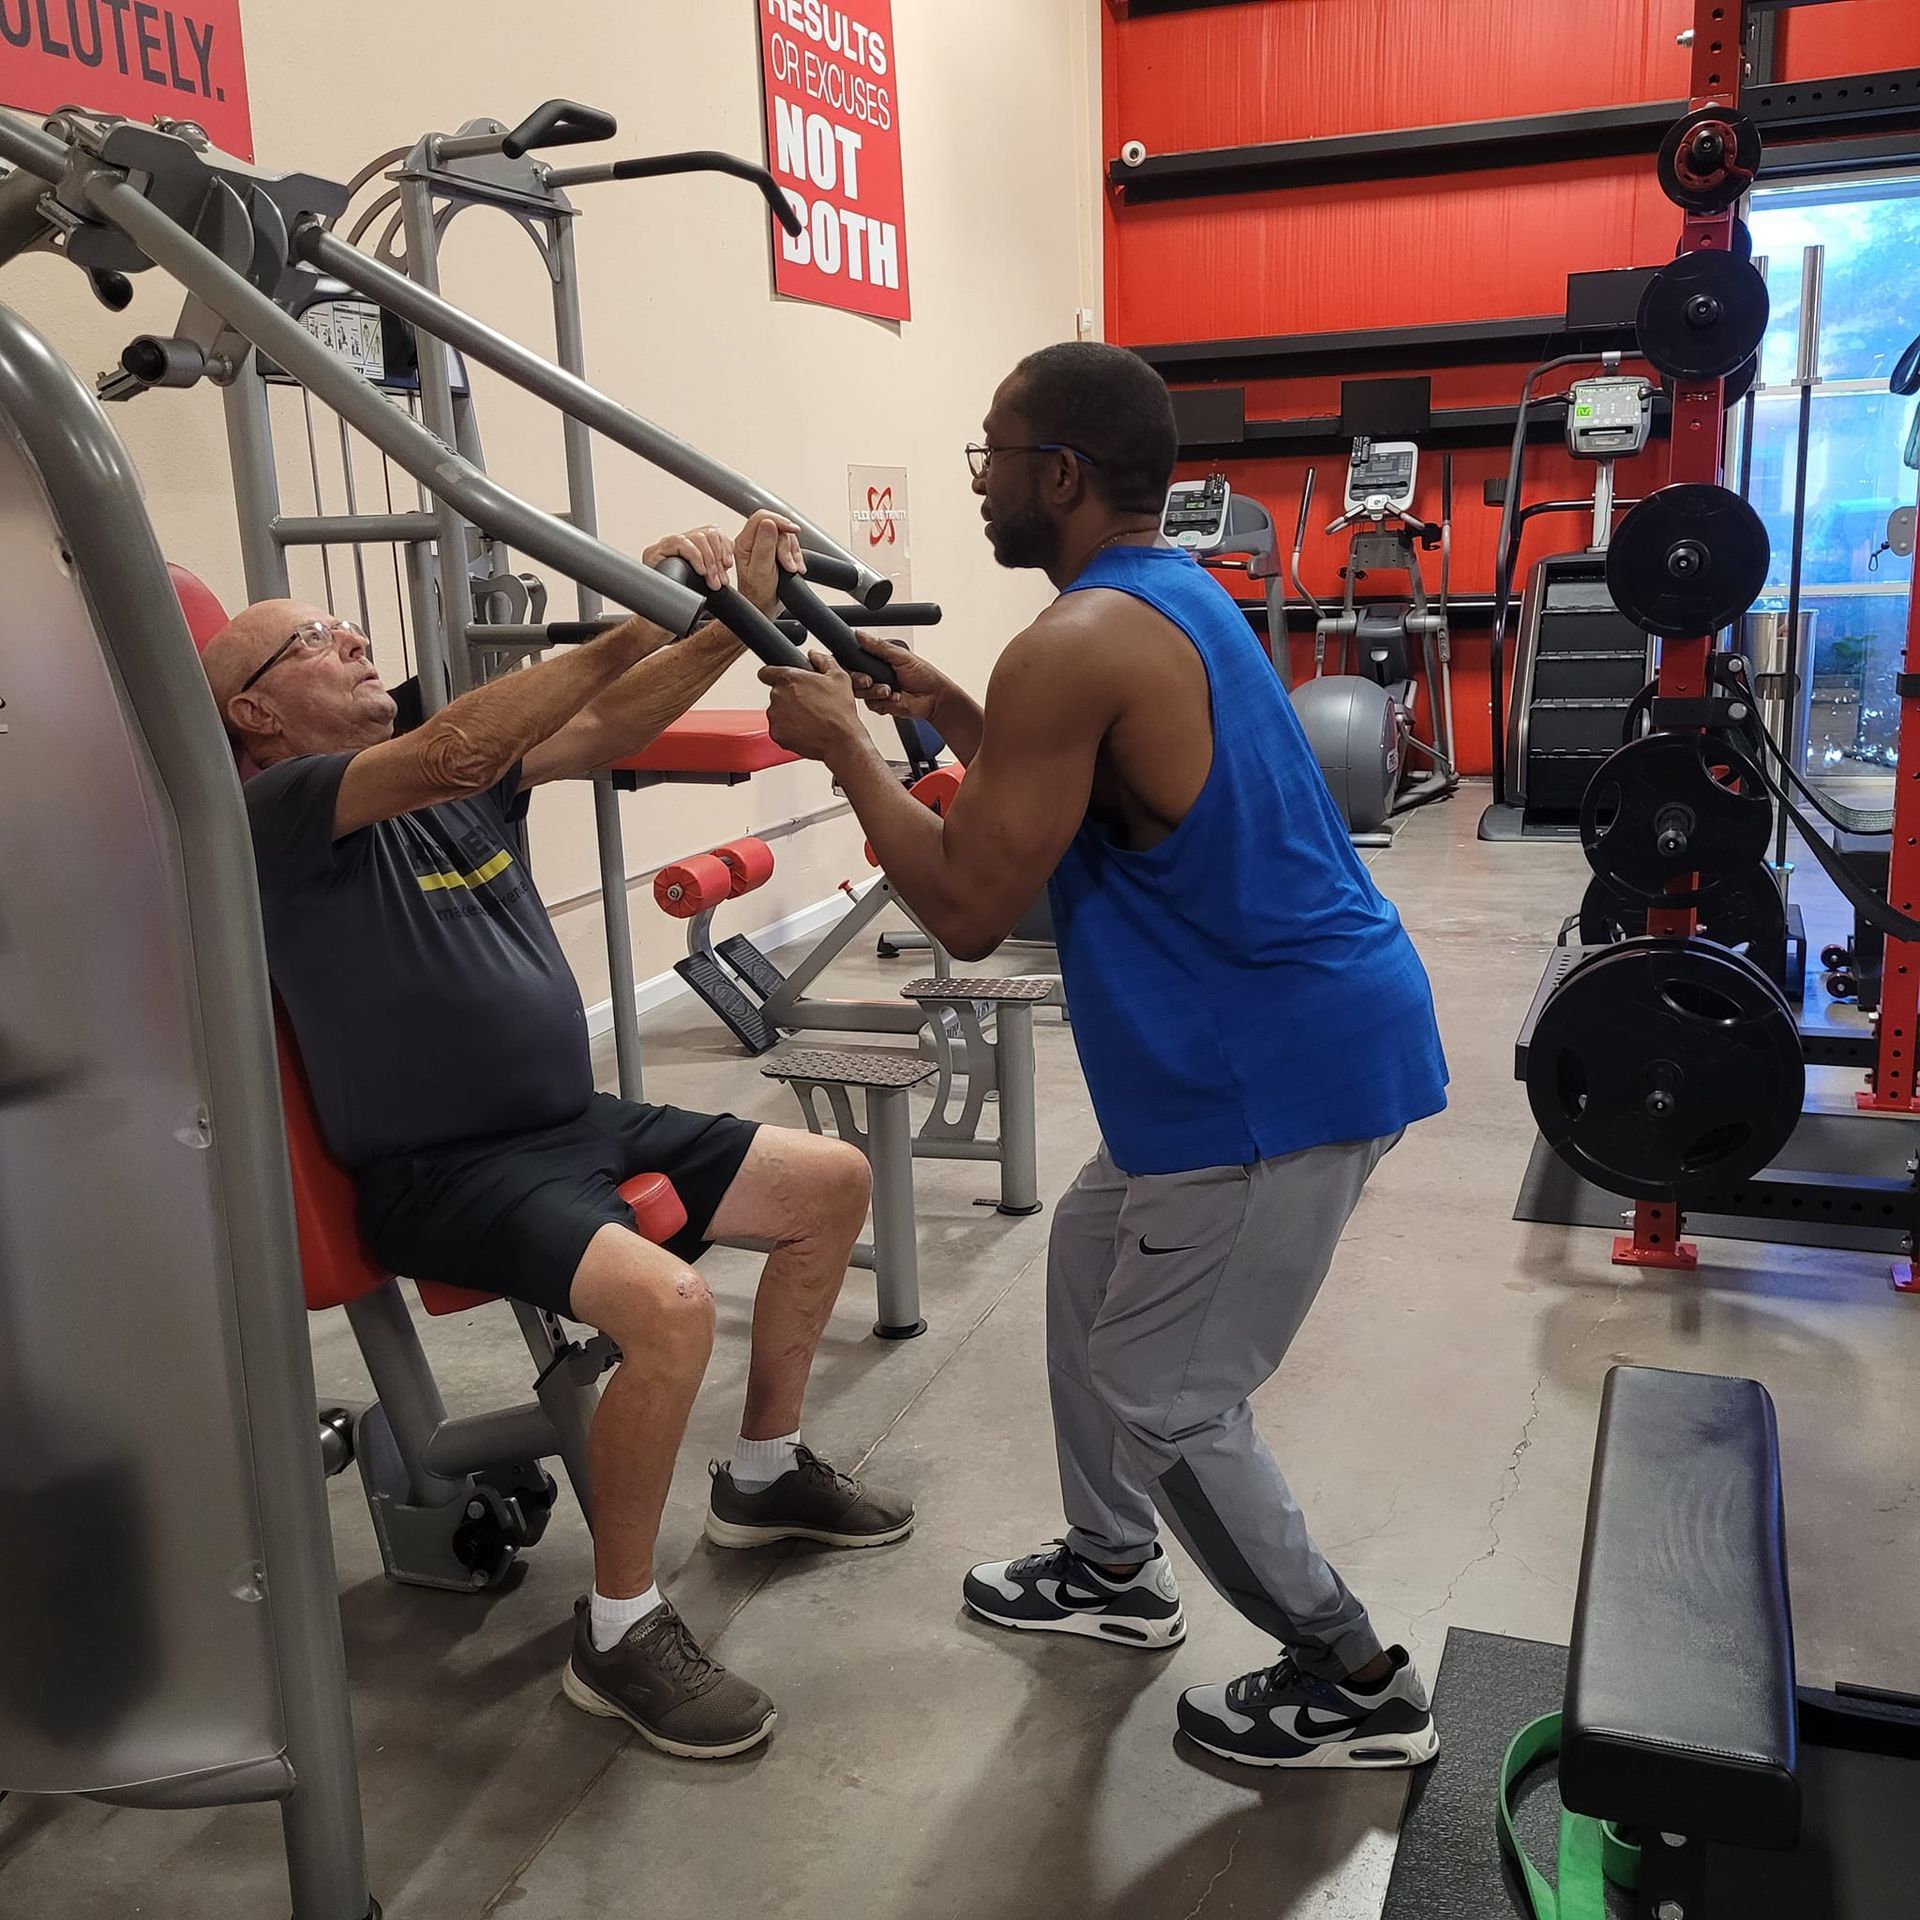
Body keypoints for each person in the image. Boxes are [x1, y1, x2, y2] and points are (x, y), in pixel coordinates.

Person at [759, 343, 1449, 1770]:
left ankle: (1352, 1673)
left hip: (1270, 1075)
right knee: (1087, 1266)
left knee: (1173, 1393)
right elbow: (1087, 774)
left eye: (993, 456)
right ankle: (1110, 1569)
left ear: (1058, 474)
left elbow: (967, 905)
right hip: (1236, 1053)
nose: (985, 479)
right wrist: (940, 706)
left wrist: (847, 753)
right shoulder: (1164, 598)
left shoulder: (1072, 644)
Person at [199, 511, 912, 1763]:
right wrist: (644, 611)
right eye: (317, 639)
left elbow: (604, 728)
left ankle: (763, 1475)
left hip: (568, 1122)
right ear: (255, 715)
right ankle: (621, 1632)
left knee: (829, 1181)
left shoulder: (453, 798)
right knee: (673, 1310)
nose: (355, 636)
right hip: (441, 1170)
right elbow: (467, 740)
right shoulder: (281, 813)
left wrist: (736, 609)